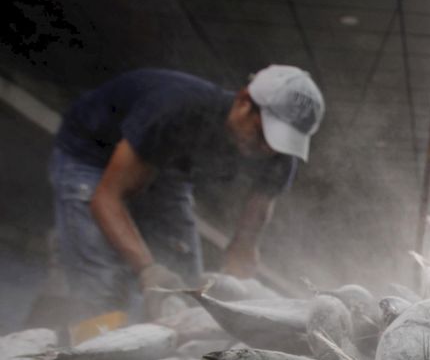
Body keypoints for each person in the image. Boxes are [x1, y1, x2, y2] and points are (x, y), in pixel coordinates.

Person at [49, 65, 325, 326]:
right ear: (243, 102)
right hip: (92, 156)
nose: (266, 148)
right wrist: (148, 270)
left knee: (189, 287)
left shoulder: (279, 159)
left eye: (279, 142)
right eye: (263, 133)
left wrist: (234, 302)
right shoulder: (175, 108)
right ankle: (90, 356)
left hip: (168, 170)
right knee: (102, 283)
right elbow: (106, 198)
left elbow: (244, 245)